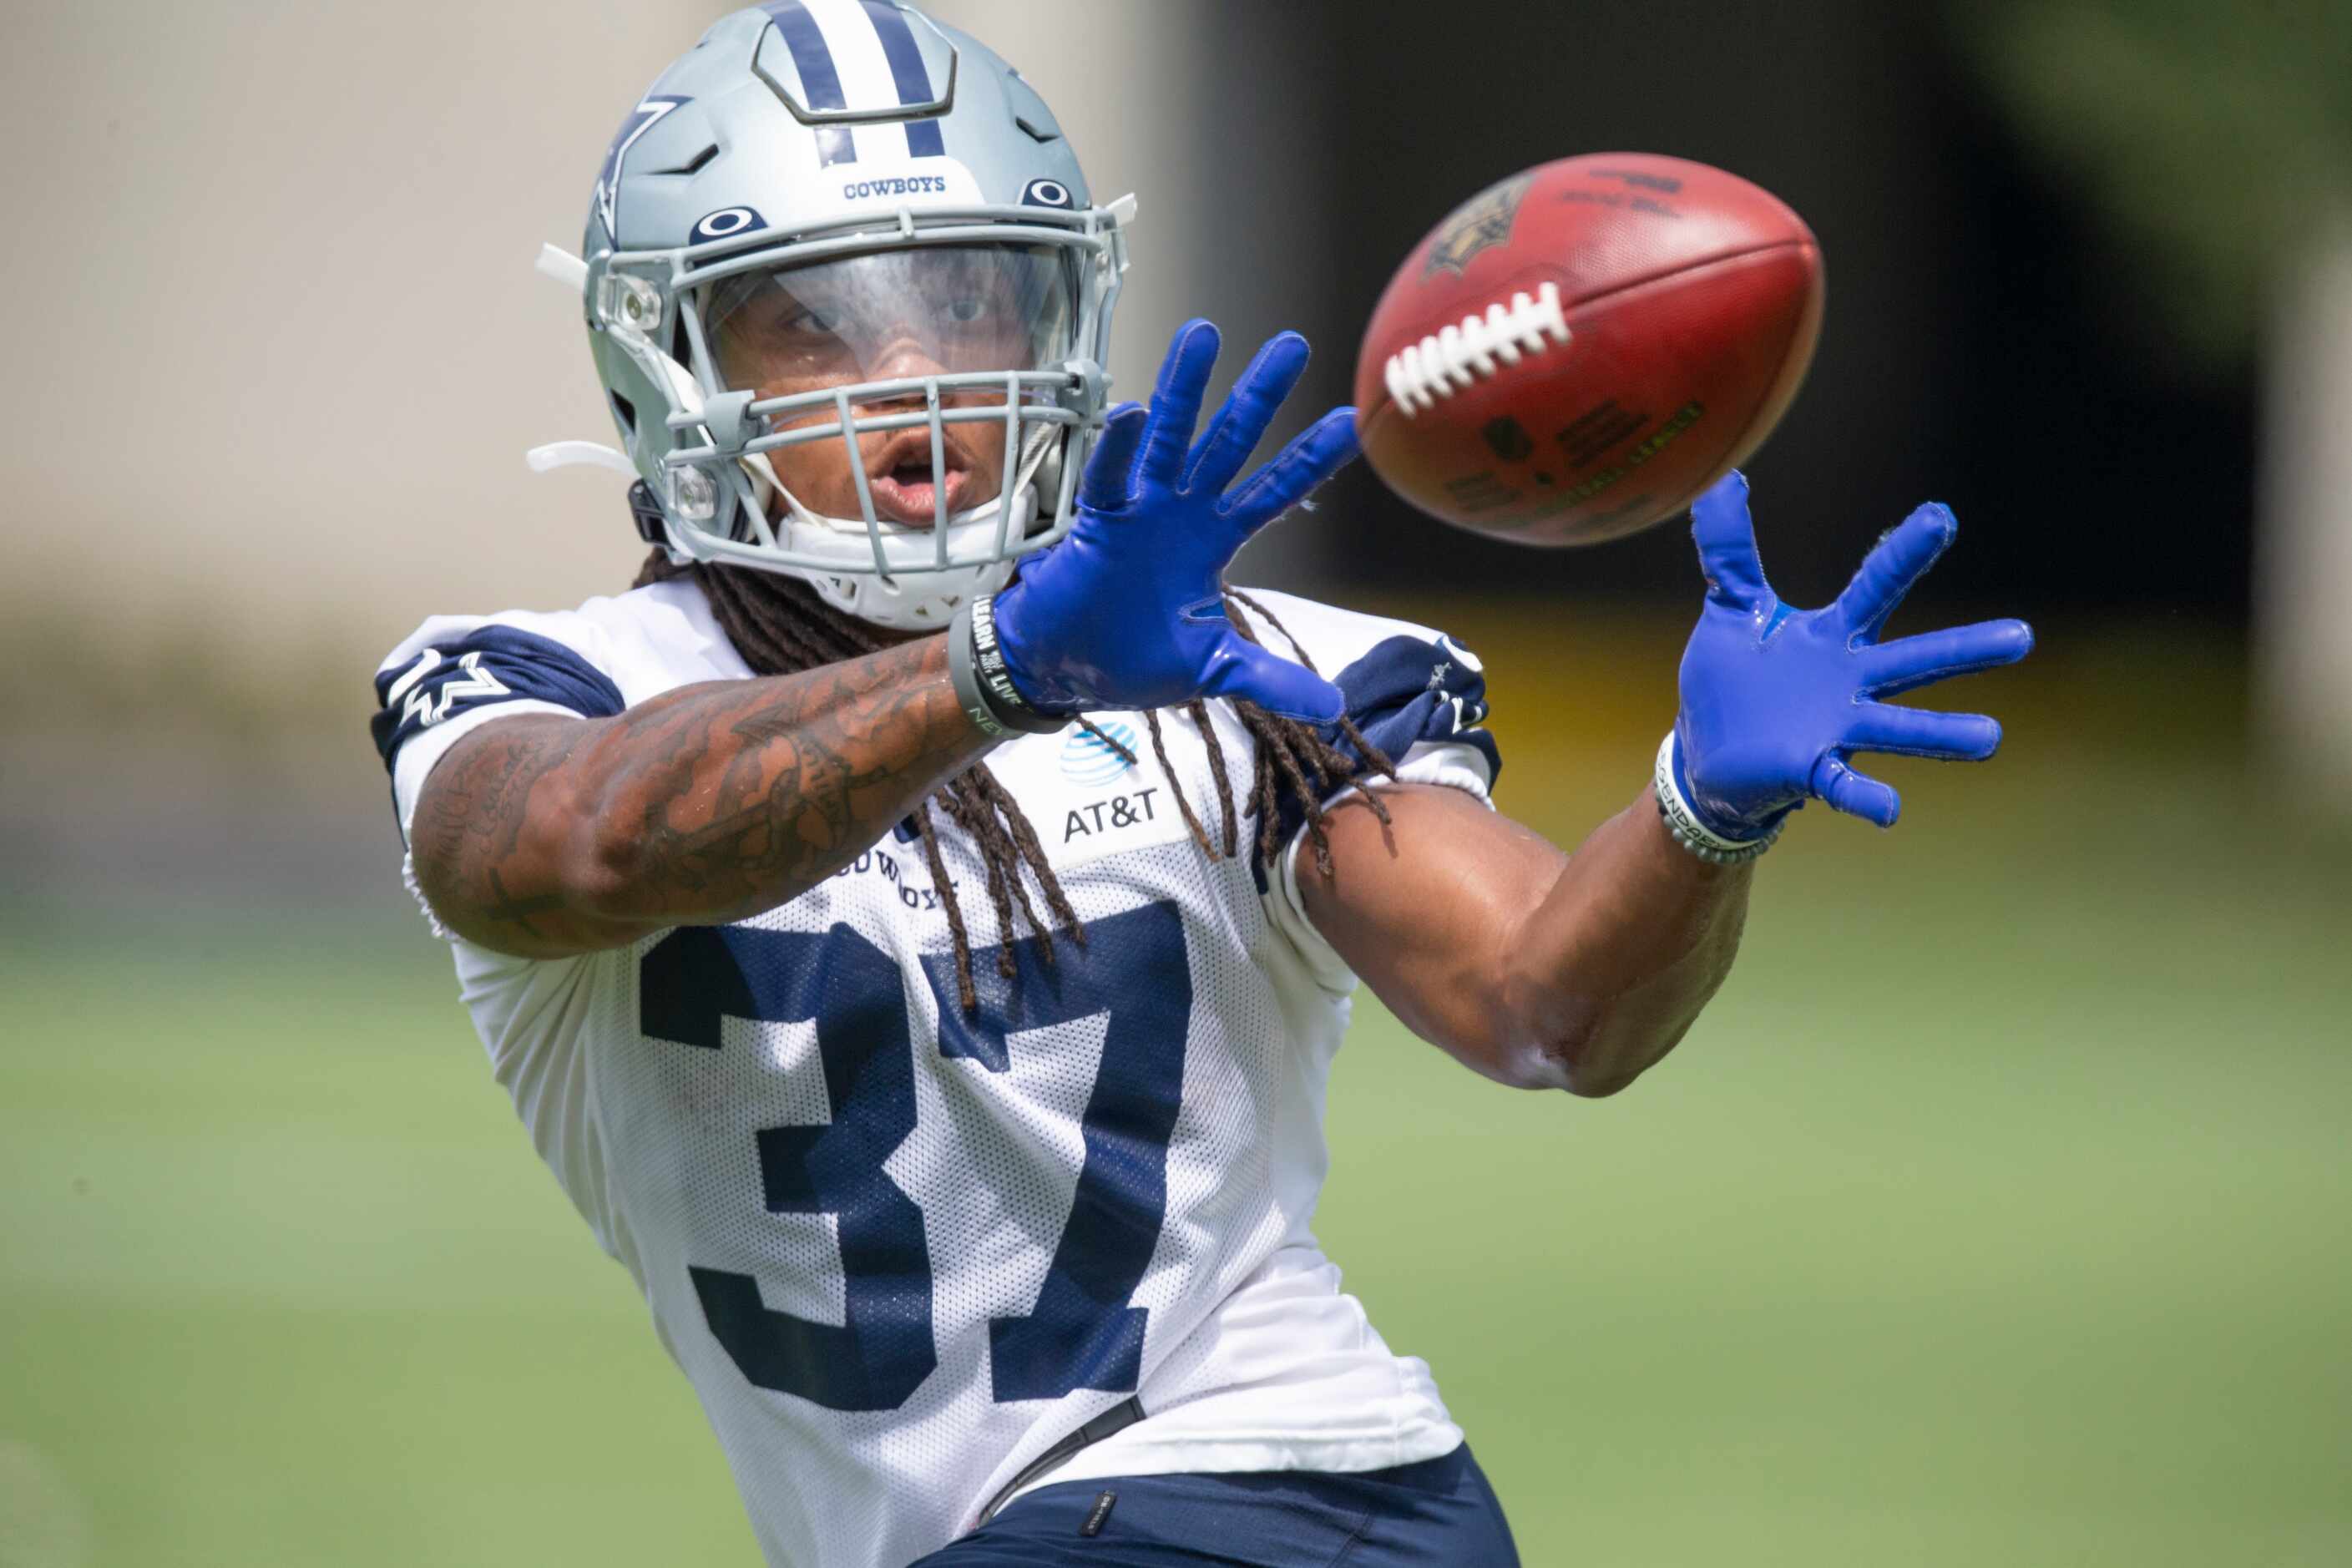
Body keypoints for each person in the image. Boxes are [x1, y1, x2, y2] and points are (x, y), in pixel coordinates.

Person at [369, 4, 2032, 1564]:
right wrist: (992, 677)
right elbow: (558, 854)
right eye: (818, 326)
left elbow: (1543, 1006)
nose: (923, 380)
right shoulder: (558, 685)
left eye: (974, 299)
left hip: (1308, 1489)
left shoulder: (1244, 669)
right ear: (667, 366)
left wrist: (1696, 814)